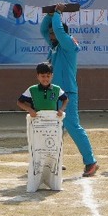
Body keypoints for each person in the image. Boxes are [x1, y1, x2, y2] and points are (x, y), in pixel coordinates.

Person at [40, 5, 101, 178]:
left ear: (62, 35)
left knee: (72, 126)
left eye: (53, 34)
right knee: (52, 128)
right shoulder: (55, 46)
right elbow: (43, 30)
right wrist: (50, 15)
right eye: (51, 34)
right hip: (53, 93)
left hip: (67, 93)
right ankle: (54, 160)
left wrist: (58, 14)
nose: (50, 36)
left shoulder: (67, 44)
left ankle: (91, 162)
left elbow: (58, 31)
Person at [18, 61, 68, 193]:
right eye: (42, 76)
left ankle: (53, 178)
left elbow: (65, 99)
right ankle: (36, 176)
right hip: (38, 126)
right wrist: (30, 110)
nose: (45, 79)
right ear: (38, 76)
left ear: (52, 76)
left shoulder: (57, 89)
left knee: (53, 150)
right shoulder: (32, 89)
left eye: (48, 76)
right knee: (38, 151)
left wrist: (61, 110)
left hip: (53, 126)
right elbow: (20, 102)